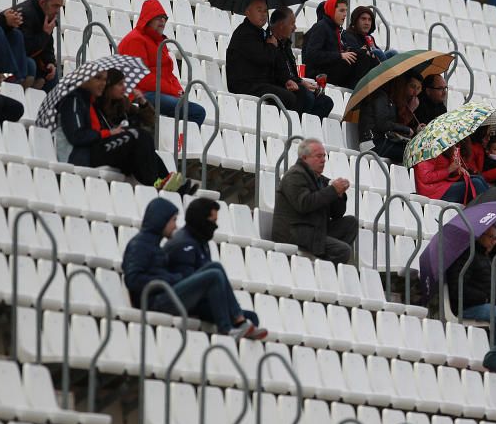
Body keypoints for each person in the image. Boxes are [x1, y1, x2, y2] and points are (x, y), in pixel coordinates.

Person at [122, 198, 268, 339]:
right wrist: (171, 279)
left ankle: (239, 322)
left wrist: (170, 279)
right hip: (155, 301)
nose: (175, 226)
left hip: (165, 295)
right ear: (161, 220)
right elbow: (133, 280)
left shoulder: (156, 245)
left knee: (215, 267)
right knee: (213, 274)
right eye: (173, 220)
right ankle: (227, 329)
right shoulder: (140, 244)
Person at [55, 68, 189, 190]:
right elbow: (77, 136)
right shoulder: (73, 100)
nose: (102, 83)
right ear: (85, 80)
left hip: (96, 149)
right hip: (82, 156)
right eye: (98, 78)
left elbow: (148, 119)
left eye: (104, 79)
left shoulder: (94, 101)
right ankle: (155, 184)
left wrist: (142, 104)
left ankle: (174, 187)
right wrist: (110, 132)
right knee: (137, 135)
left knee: (144, 141)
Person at [118, 0, 206, 125]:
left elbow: (169, 74)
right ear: (147, 18)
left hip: (154, 93)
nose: (163, 21)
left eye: (165, 18)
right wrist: (173, 91)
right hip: (139, 94)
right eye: (158, 17)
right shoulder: (135, 40)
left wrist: (179, 91)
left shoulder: (159, 42)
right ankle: (176, 143)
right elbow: (143, 78)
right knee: (196, 112)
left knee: (192, 109)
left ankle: (174, 142)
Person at [272, 138, 357, 264]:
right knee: (343, 251)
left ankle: (322, 261)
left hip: (313, 229)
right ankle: (323, 273)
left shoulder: (320, 179)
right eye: (318, 156)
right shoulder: (294, 175)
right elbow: (304, 204)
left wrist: (338, 195)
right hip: (294, 232)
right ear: (304, 158)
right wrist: (332, 190)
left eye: (324, 156)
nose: (323, 160)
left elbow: (337, 214)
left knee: (351, 223)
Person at [445, 225, 496, 342]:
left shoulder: (483, 256)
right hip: (469, 306)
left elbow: (484, 283)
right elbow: (457, 287)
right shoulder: (466, 256)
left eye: (495, 238)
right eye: (491, 237)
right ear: (480, 235)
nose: (494, 242)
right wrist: (484, 298)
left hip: (486, 303)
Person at [226, 0, 299, 109]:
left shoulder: (262, 33)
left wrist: (286, 79)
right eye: (259, 10)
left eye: (265, 11)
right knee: (288, 98)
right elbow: (263, 58)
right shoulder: (244, 33)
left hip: (260, 83)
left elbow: (277, 61)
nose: (263, 14)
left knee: (299, 94)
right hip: (245, 84)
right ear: (248, 12)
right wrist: (271, 46)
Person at [268, 7, 333, 118]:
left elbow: (291, 71)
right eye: (292, 24)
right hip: (279, 85)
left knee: (326, 102)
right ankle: (297, 127)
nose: (295, 28)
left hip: (291, 83)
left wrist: (301, 82)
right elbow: (275, 71)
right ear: (280, 25)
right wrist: (294, 82)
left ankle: (308, 128)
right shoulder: (269, 43)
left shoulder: (285, 44)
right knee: (306, 95)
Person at [303, 0, 378, 89]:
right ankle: (358, 90)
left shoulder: (333, 28)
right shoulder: (321, 27)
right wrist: (340, 56)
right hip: (319, 73)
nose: (345, 14)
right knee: (361, 58)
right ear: (331, 11)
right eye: (341, 11)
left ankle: (368, 88)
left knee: (365, 56)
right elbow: (312, 55)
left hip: (330, 68)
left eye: (346, 11)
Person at [2, 0, 64, 91]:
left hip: (28, 57)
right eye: (55, 6)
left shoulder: (46, 14)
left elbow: (47, 46)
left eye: (60, 7)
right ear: (42, 2)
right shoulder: (26, 14)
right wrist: (45, 34)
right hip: (9, 58)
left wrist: (50, 62)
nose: (58, 11)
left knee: (52, 75)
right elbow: (25, 48)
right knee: (30, 65)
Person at [357, 76, 415, 163]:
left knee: (409, 148)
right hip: (372, 144)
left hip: (380, 142)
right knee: (409, 153)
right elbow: (382, 124)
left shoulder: (387, 98)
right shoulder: (379, 97)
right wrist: (405, 129)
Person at [413, 146, 489, 203]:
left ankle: (494, 208)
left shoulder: (441, 148)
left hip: (441, 186)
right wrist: (448, 170)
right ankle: (491, 212)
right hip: (432, 192)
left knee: (478, 179)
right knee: (476, 183)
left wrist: (458, 168)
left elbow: (442, 167)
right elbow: (426, 177)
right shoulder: (427, 150)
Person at [97, 68, 156, 134]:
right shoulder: (97, 104)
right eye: (120, 84)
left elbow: (150, 121)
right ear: (109, 86)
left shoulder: (124, 102)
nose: (124, 88)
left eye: (124, 83)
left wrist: (143, 103)